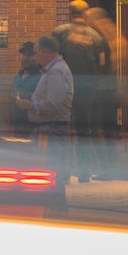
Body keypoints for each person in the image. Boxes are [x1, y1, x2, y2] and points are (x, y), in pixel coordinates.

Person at [28, 34, 76, 183]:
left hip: (52, 130)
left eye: (36, 53)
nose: (35, 57)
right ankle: (53, 203)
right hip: (48, 128)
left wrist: (30, 105)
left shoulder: (57, 72)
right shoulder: (52, 70)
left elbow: (52, 105)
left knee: (50, 174)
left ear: (45, 52)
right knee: (48, 175)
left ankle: (54, 204)